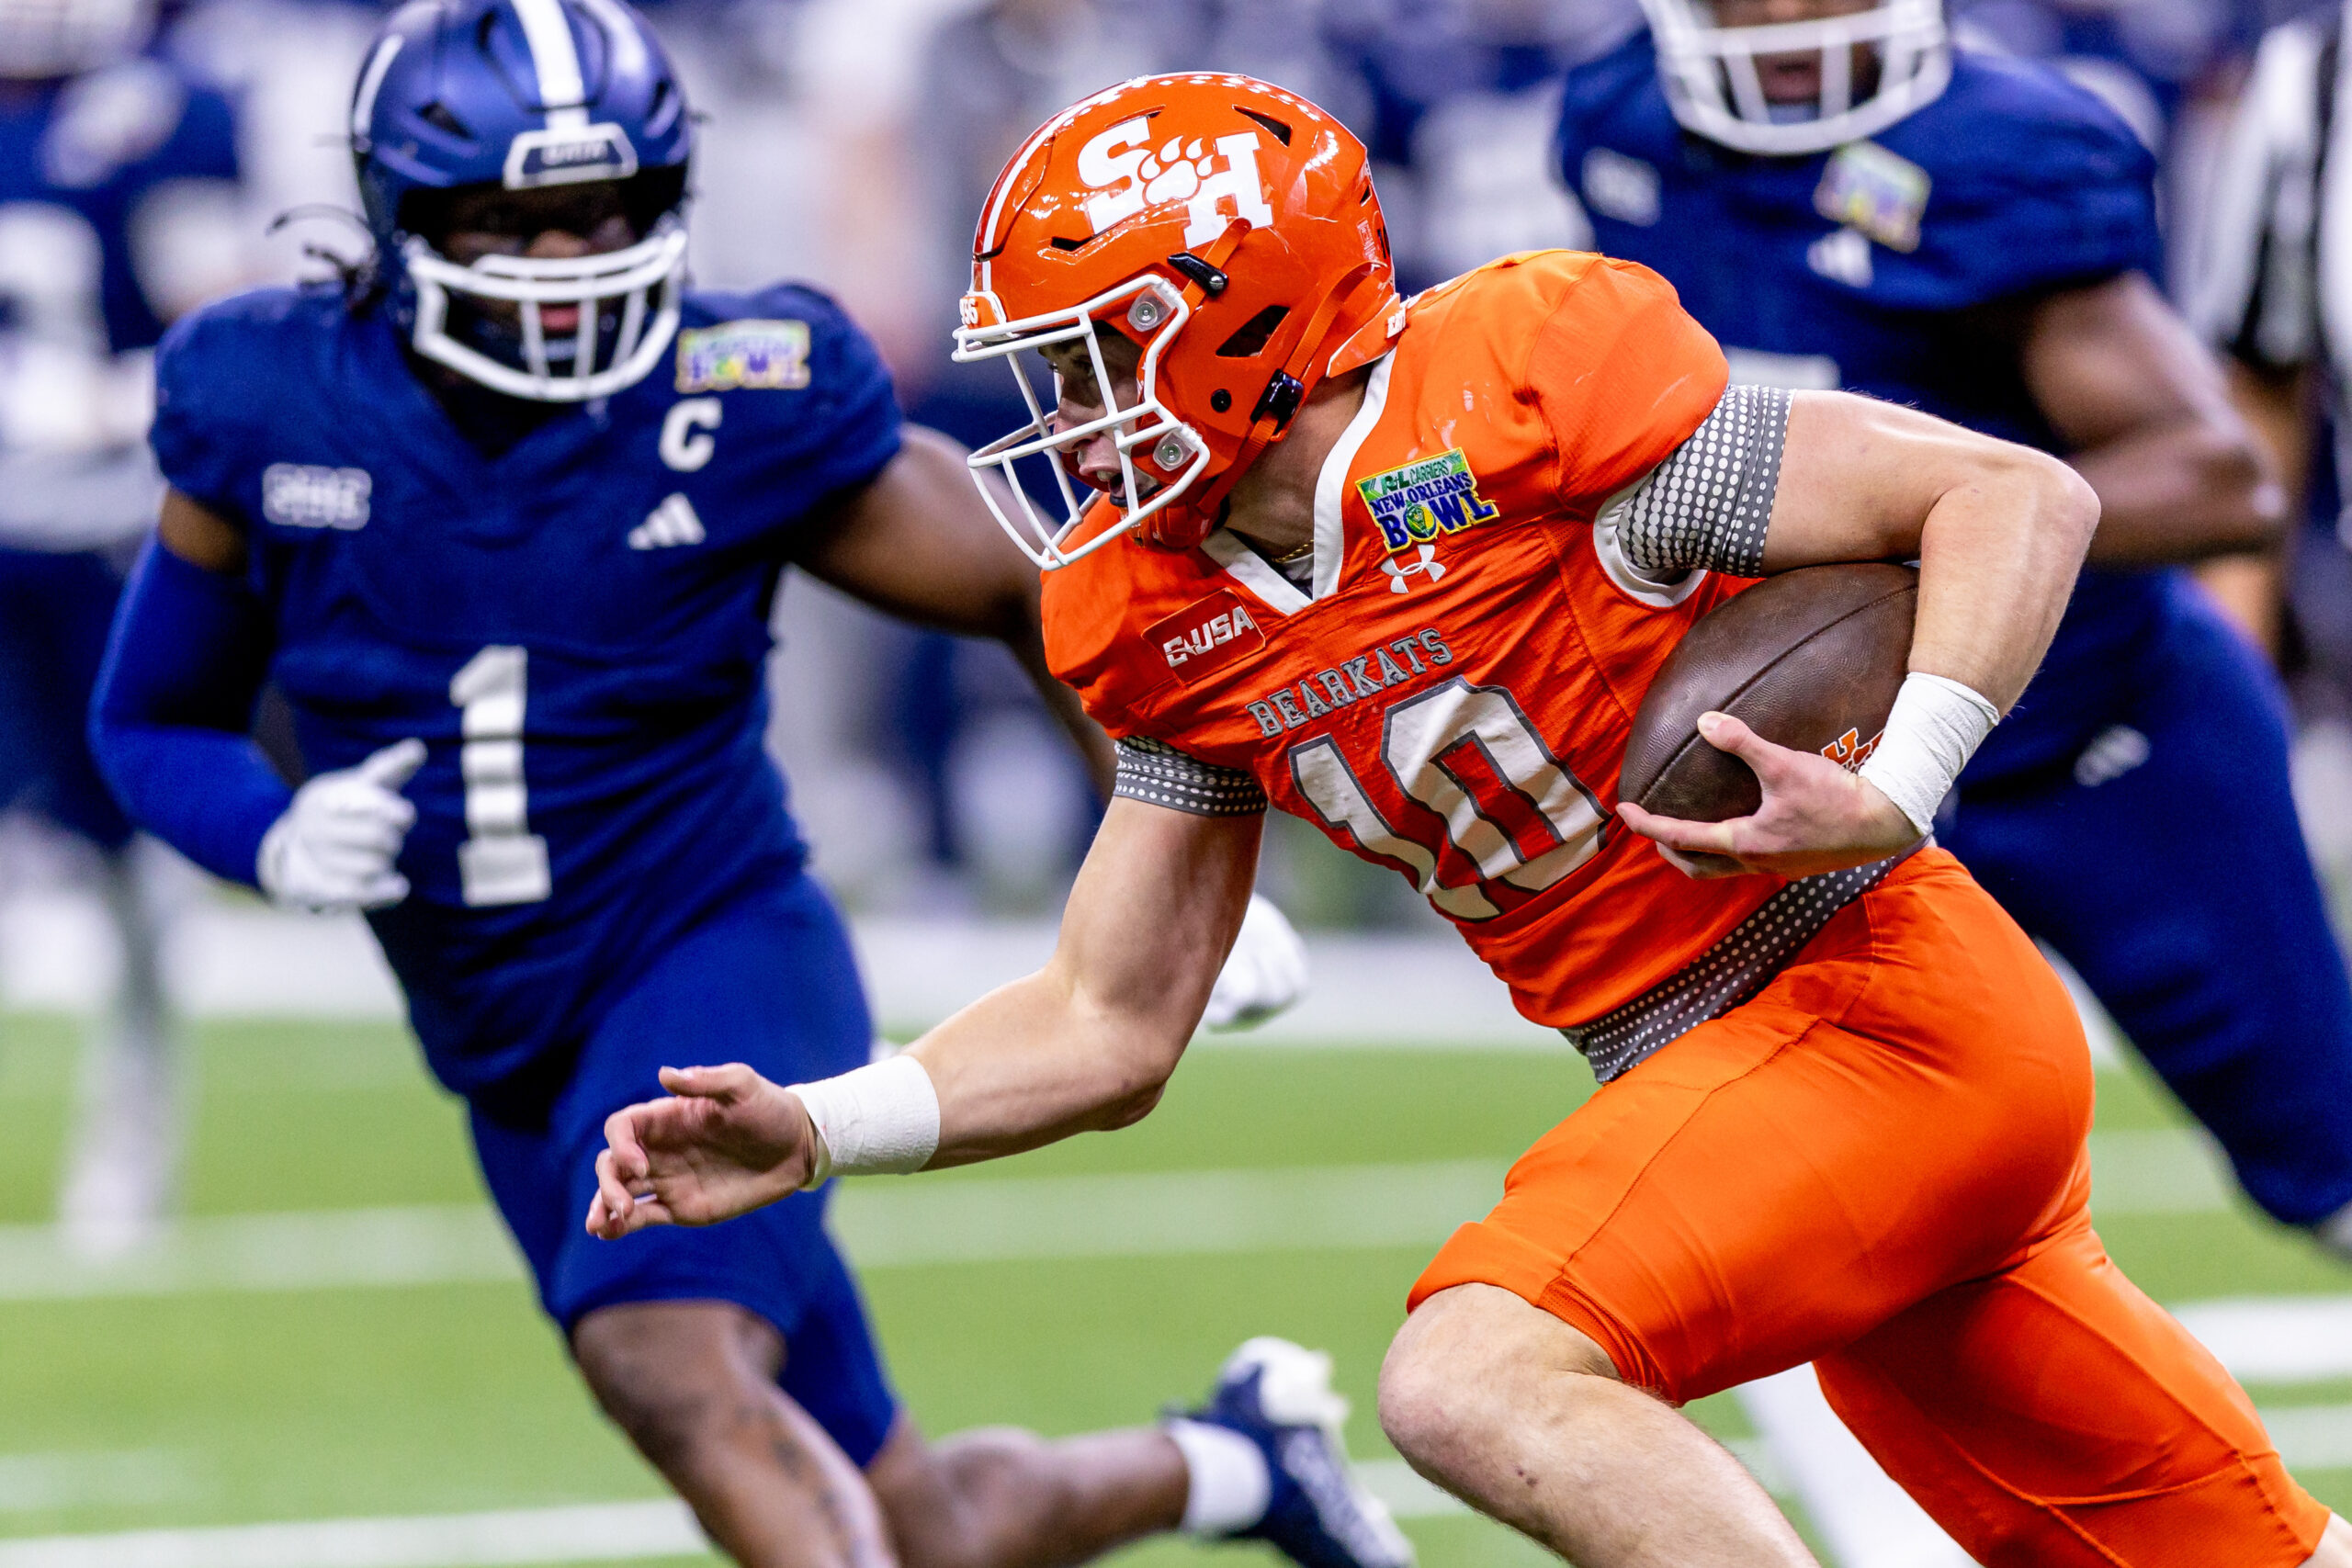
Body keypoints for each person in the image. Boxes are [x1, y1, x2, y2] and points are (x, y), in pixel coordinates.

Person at [587, 70, 2352, 1568]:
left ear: (1242, 325)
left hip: (1866, 1002)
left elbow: (2007, 493)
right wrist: (820, 1127)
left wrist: (1900, 780)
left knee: (1470, 1378)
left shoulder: (1518, 396)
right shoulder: (1152, 606)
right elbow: (1108, 1020)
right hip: (1742, 1090)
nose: (1065, 417)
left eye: (1097, 357)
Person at [84, 6, 1395, 1567]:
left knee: (669, 1366)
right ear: (402, 214)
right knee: (921, 1529)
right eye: (515, 220)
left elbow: (1033, 592)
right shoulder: (266, 395)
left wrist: (1174, 853)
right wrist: (270, 829)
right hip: (501, 1030)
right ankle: (1236, 1462)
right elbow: (150, 722)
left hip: (711, 941)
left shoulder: (745, 384)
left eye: (608, 211)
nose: (570, 259)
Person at [1543, 0, 2352, 1256]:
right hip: (1822, 771)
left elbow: (2221, 474)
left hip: (2097, 746)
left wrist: (1928, 540)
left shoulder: (1999, 154)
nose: (1790, 16)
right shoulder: (1619, 121)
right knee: (1786, 1211)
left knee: (2327, 1162)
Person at [0, 0, 245, 1253]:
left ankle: (135, 1114)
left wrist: (102, 401)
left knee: (125, 839)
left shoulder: (159, 109)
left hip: (98, 526)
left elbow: (215, 328)